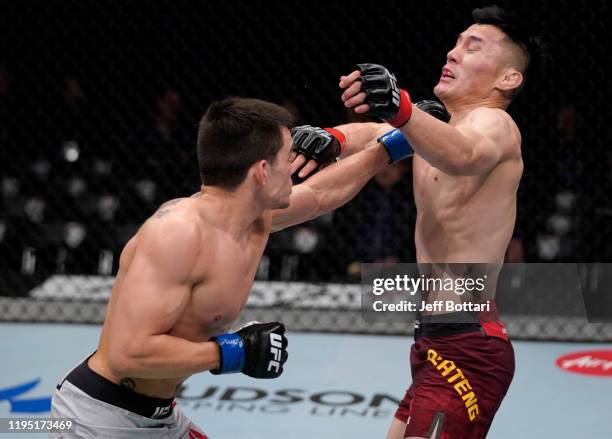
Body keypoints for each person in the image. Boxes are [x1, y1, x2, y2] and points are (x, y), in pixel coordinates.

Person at [49, 97, 403, 438]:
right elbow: (130, 354)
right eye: (286, 158)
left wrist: (391, 146)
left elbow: (322, 194)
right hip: (102, 419)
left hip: (158, 414)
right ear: (262, 172)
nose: (295, 167)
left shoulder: (255, 218)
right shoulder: (178, 234)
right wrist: (234, 352)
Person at [296, 5, 542, 439]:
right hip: (438, 339)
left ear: (508, 78)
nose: (452, 53)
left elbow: (464, 155)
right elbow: (374, 136)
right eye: (455, 42)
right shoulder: (440, 127)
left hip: (467, 344)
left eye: (473, 47)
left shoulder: (495, 124)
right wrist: (331, 137)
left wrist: (401, 107)